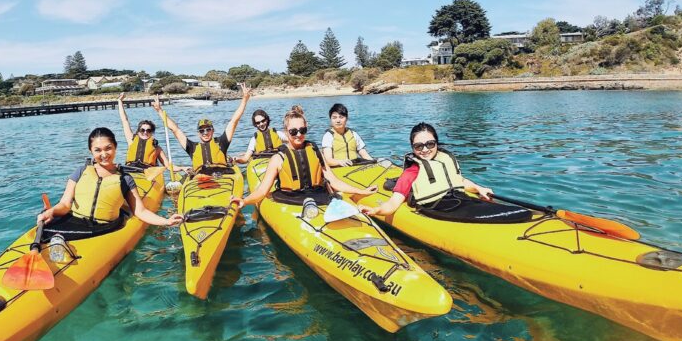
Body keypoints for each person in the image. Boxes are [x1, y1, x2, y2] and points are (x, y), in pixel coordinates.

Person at [36, 128, 183, 234]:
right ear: (91, 151)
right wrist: (51, 211)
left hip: (104, 229)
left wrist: (167, 221)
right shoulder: (81, 172)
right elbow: (65, 204)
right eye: (98, 150)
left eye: (108, 148)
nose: (104, 154)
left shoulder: (125, 179)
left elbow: (140, 211)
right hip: (75, 221)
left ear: (116, 148)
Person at [231, 105, 377, 208]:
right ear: (286, 131)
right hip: (290, 199)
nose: (299, 135)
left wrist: (360, 191)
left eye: (302, 130)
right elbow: (262, 191)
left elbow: (333, 181)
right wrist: (245, 201)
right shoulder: (278, 158)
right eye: (293, 131)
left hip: (319, 196)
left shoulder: (314, 150)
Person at [360, 122, 496, 218]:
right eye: (419, 146)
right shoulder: (411, 172)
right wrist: (375, 210)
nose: (425, 150)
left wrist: (479, 188)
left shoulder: (444, 160)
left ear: (437, 143)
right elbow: (393, 203)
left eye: (430, 144)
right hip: (437, 208)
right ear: (412, 148)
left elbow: (459, 180)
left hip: (459, 200)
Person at [152, 83, 252, 172]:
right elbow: (175, 130)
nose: (205, 132)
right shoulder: (192, 147)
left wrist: (244, 100)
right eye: (202, 130)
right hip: (200, 178)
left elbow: (234, 121)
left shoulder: (222, 142)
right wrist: (159, 111)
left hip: (222, 175)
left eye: (208, 129)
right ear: (198, 133)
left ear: (213, 131)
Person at [116, 93, 182, 170]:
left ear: (151, 132)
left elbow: (168, 166)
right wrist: (119, 101)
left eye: (148, 130)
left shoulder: (157, 148)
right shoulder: (131, 140)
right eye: (142, 130)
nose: (145, 132)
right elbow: (124, 120)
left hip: (147, 174)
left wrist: (183, 168)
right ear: (138, 131)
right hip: (131, 172)